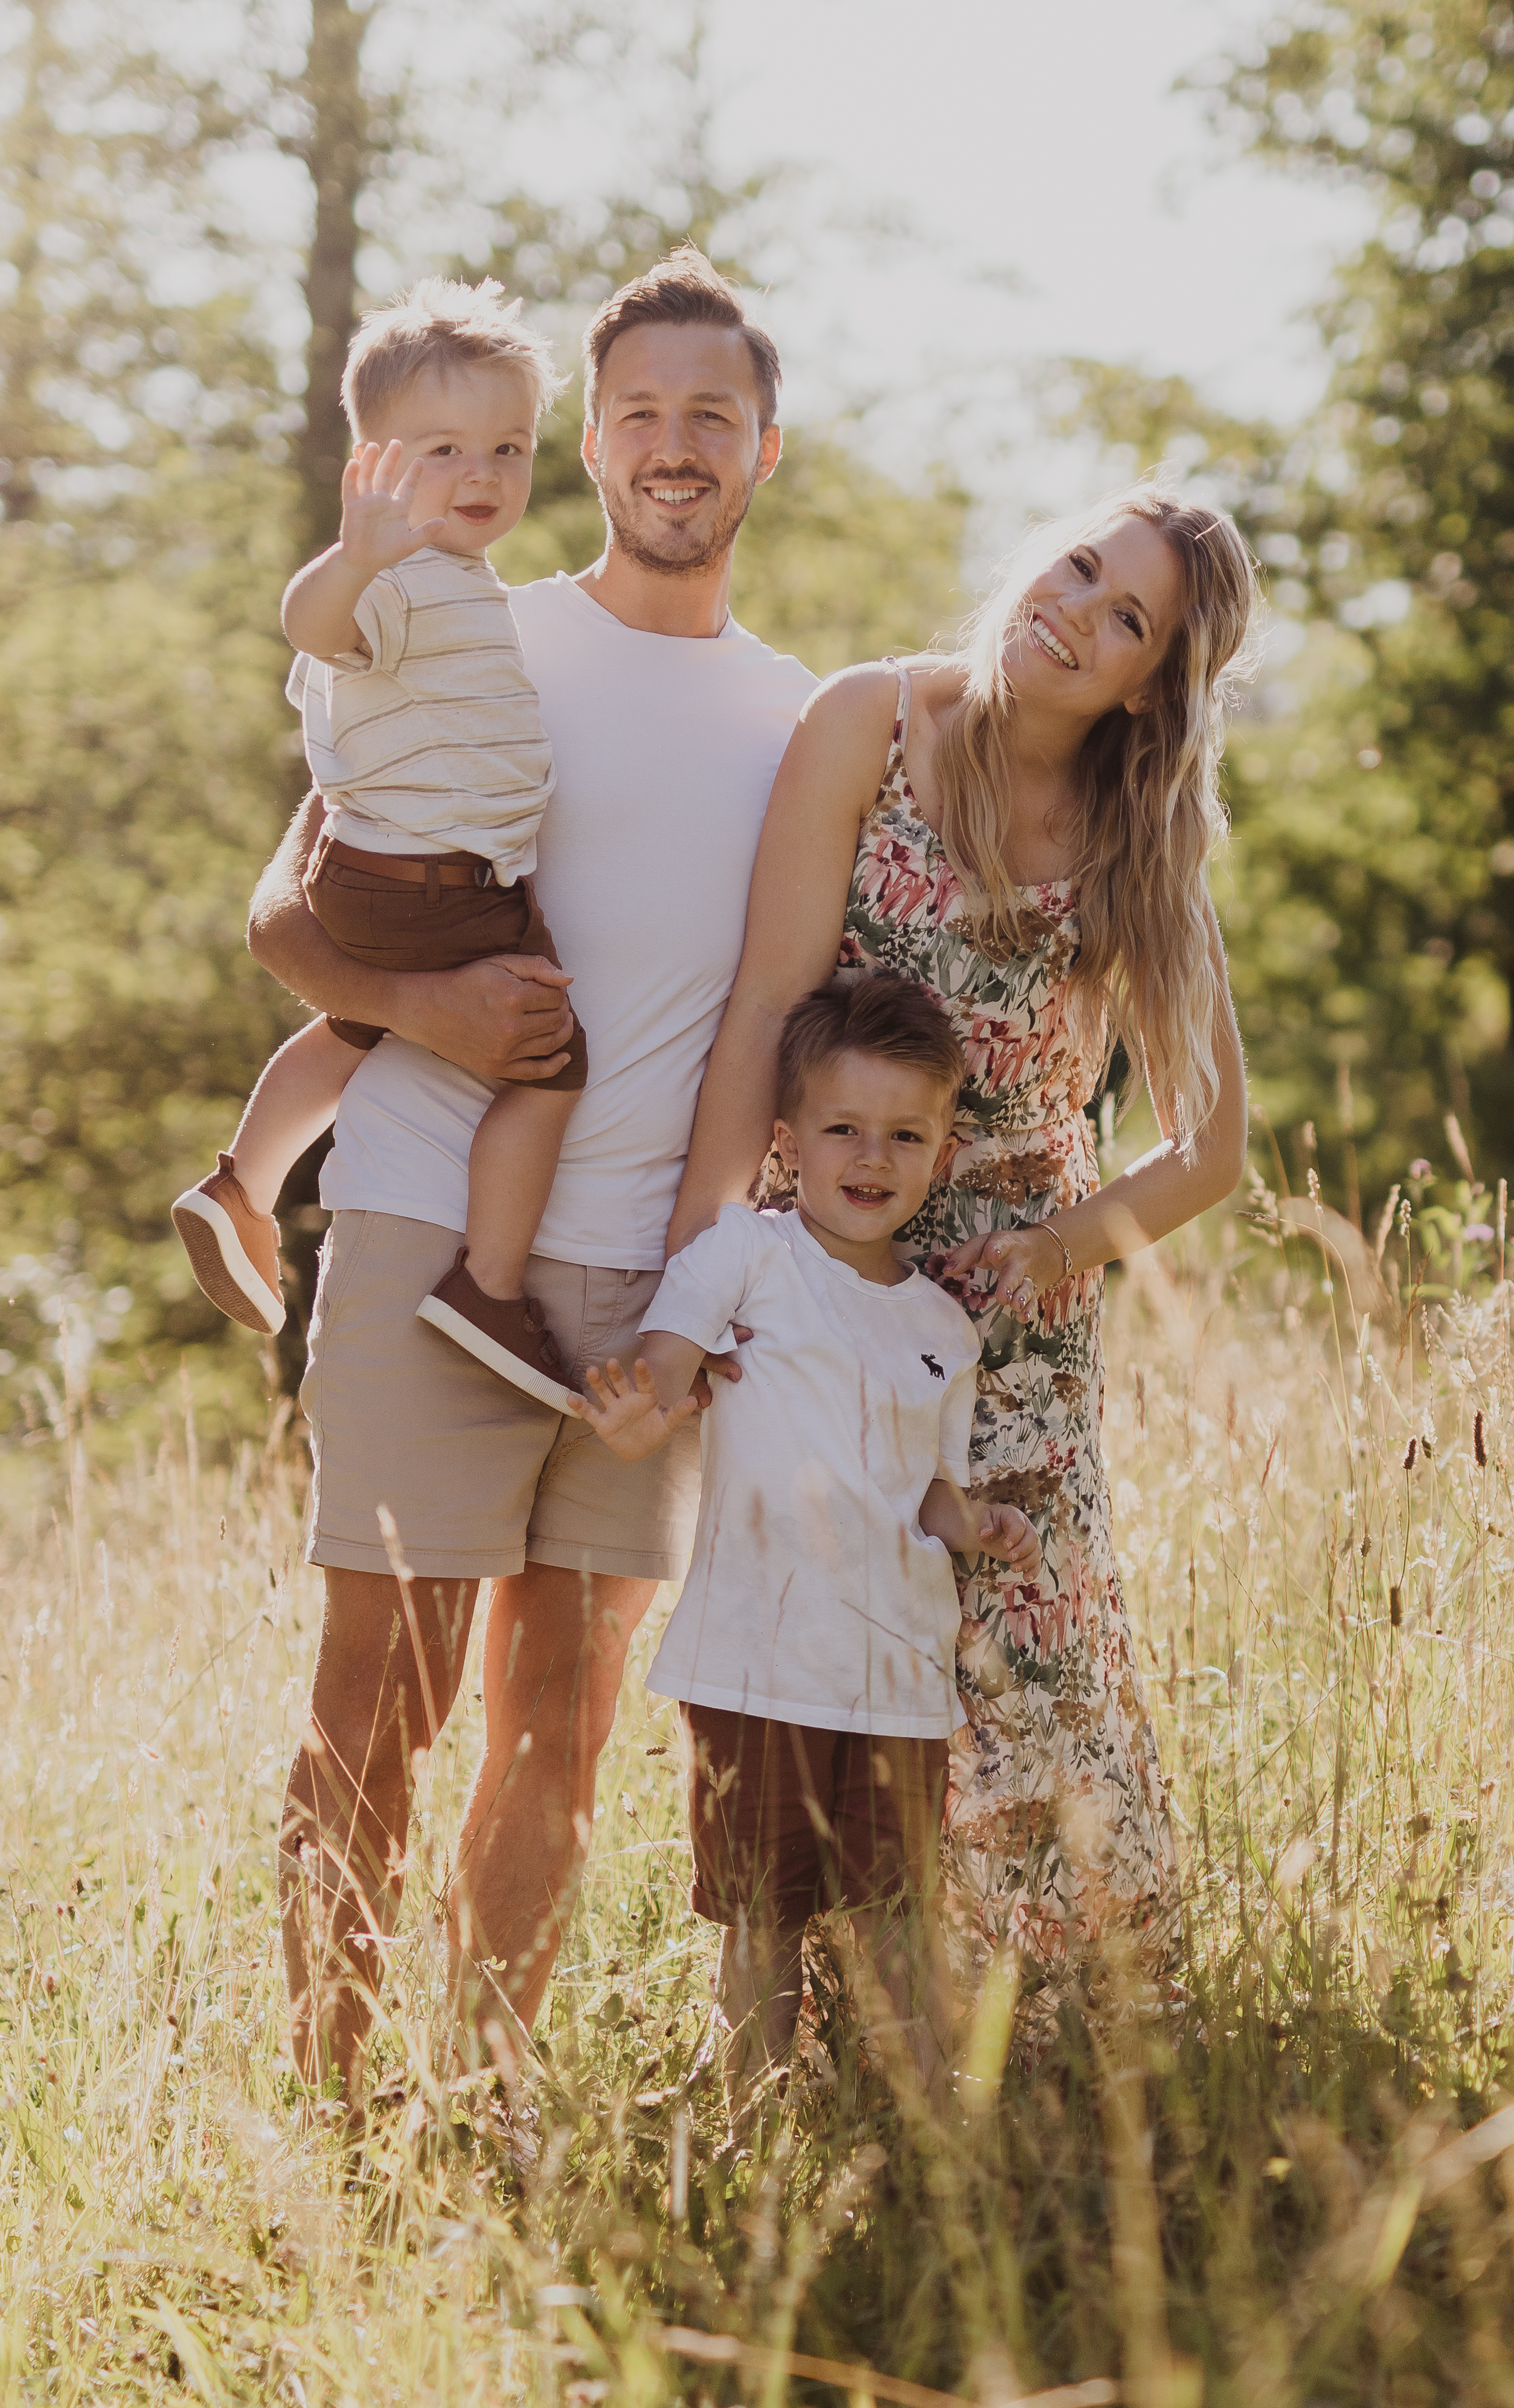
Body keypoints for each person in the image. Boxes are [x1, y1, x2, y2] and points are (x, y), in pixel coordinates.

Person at [242, 250, 812, 2108]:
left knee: (561, 1720)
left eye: (712, 414)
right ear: (591, 440)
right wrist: (427, 1008)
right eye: (640, 410)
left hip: (648, 1283)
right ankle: (336, 2117)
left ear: (765, 449)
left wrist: (706, 1297)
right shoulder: (468, 623)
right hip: (430, 1230)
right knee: (376, 1706)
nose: (675, 444)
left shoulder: (807, 722)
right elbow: (285, 915)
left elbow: (786, 1029)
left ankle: (481, 2100)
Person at [666, 484, 1260, 2022]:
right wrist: (695, 1281)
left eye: (1126, 618)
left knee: (1019, 1671)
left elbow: (1212, 1148)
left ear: (1152, 688)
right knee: (821, 1650)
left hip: (1012, 1320)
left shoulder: (1135, 839)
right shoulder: (869, 723)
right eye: (1080, 565)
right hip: (824, 1278)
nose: (1072, 610)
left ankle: (1055, 2032)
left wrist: (1056, 1247)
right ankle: (835, 2034)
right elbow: (765, 1008)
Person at [579, 973, 1038, 2099]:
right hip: (759, 1660)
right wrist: (640, 1413)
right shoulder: (745, 1256)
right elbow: (667, 1372)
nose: (872, 1158)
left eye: (904, 1136)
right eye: (843, 1130)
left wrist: (978, 1524)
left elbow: (928, 1493)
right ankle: (752, 2123)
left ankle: (936, 2133)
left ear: (942, 1153)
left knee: (897, 1916)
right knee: (762, 1915)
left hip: (898, 1672)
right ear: (789, 1141)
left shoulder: (942, 1327)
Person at [168, 278, 586, 1410]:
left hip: (394, 882)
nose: (483, 474)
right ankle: (489, 1285)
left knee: (353, 1031)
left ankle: (243, 1185)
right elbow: (313, 626)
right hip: (430, 883)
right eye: (444, 449)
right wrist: (353, 559)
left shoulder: (455, 579)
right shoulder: (398, 578)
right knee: (553, 1062)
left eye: (508, 448)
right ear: (375, 466)